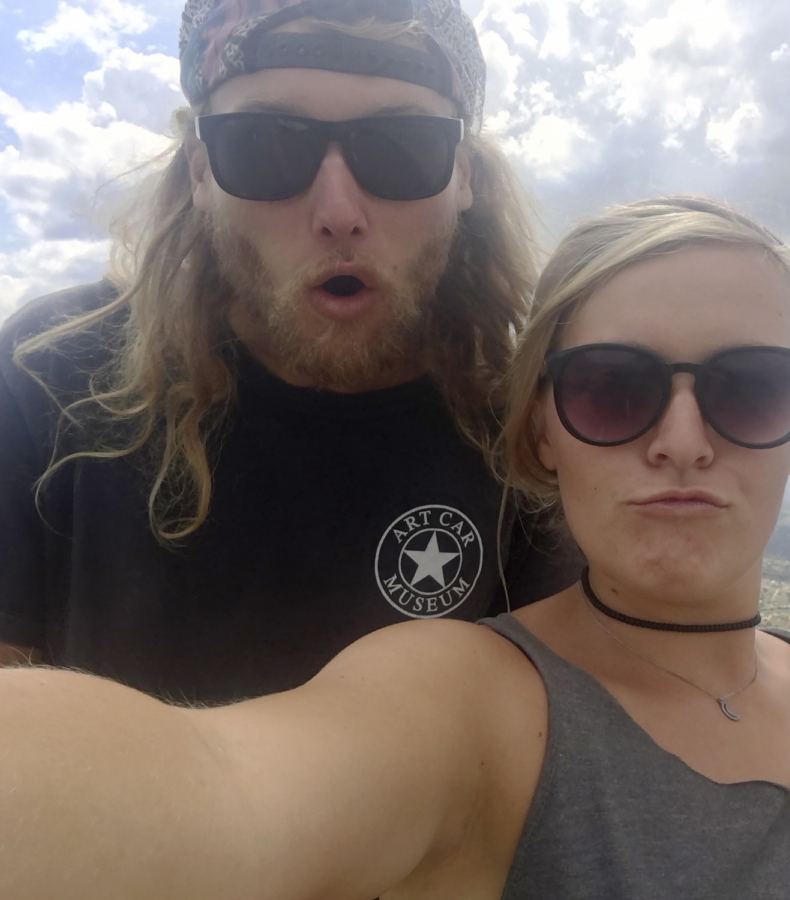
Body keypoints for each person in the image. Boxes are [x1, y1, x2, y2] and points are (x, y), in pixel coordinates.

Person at [0, 197, 790, 899]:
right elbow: (222, 792)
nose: (684, 439)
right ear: (541, 435)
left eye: (753, 388)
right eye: (613, 388)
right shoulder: (471, 703)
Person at [0, 0, 577, 700]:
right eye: (266, 145)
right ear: (200, 172)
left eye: (401, 148)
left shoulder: (526, 429)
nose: (338, 212)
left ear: (463, 176)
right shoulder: (52, 376)